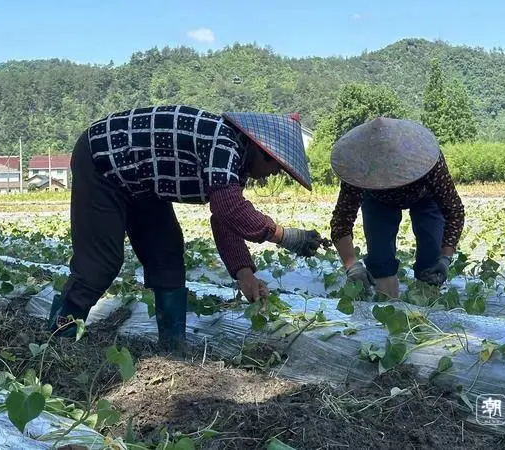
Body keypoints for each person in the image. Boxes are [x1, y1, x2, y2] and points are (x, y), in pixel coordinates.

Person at [47, 105, 322, 351]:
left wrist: (245, 275)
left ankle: (172, 348)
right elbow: (230, 209)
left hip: (143, 183)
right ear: (261, 150)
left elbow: (223, 216)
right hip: (103, 159)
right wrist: (286, 236)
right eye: (277, 167)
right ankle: (59, 338)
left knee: (166, 254)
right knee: (100, 264)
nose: (275, 174)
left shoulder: (234, 161)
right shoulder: (224, 144)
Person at [329, 117, 465, 299]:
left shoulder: (430, 162)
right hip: (378, 201)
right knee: (380, 260)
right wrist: (351, 265)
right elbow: (341, 221)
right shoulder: (358, 170)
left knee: (431, 259)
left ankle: (426, 307)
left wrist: (445, 258)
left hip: (424, 197)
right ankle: (387, 305)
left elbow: (454, 210)